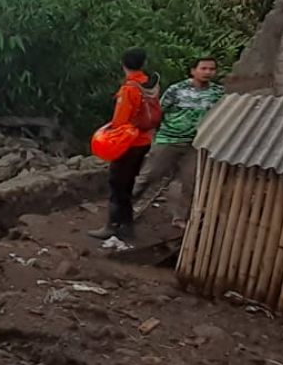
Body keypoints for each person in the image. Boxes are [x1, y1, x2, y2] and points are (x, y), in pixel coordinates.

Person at [133, 56, 224, 228]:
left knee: (190, 182)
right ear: (193, 71)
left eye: (211, 69)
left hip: (196, 143)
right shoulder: (176, 89)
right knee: (149, 175)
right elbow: (159, 111)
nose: (207, 72)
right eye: (203, 68)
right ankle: (123, 208)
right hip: (170, 139)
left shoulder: (218, 93)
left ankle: (180, 218)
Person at [88, 48, 155, 241]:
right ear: (143, 63)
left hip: (128, 142)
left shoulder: (129, 89)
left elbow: (120, 120)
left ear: (123, 64)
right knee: (128, 182)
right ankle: (126, 227)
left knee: (117, 184)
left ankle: (114, 226)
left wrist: (108, 133)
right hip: (144, 141)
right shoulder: (149, 85)